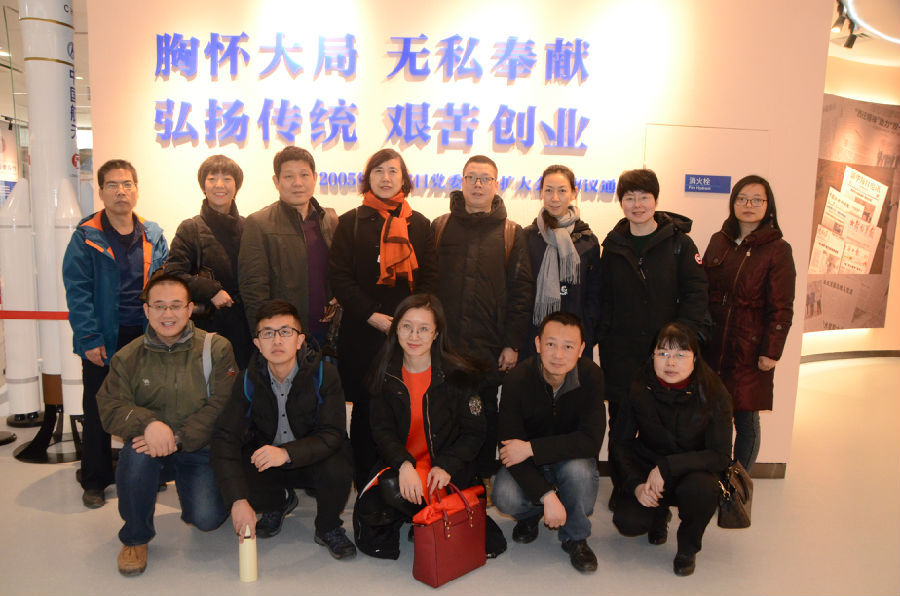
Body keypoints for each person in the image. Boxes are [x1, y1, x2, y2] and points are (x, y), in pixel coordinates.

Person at [96, 273, 236, 576]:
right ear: (146, 310)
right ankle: (135, 537)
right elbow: (110, 405)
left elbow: (222, 405)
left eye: (176, 306)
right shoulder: (128, 357)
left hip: (198, 447)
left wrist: (179, 437)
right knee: (135, 457)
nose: (167, 314)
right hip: (151, 447)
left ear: (190, 309)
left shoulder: (216, 348)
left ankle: (203, 491)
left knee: (207, 519)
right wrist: (147, 424)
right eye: (159, 306)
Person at [353, 293, 506, 559]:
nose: (414, 336)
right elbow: (382, 431)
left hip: (445, 469)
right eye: (407, 326)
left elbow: (474, 433)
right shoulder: (384, 373)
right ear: (395, 329)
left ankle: (427, 514)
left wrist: (446, 465)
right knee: (374, 524)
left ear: (436, 334)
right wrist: (404, 464)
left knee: (487, 545)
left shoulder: (458, 376)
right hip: (402, 466)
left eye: (424, 329)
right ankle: (423, 514)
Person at [597, 168, 710, 503]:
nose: (637, 204)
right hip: (621, 354)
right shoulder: (613, 245)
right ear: (621, 202)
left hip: (666, 354)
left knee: (664, 424)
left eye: (644, 197)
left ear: (656, 200)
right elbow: (604, 298)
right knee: (620, 425)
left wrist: (680, 340)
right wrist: (605, 336)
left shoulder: (679, 243)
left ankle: (662, 491)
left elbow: (696, 293)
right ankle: (624, 488)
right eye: (629, 197)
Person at [329, 148, 439, 491]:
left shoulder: (420, 224)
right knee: (365, 411)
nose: (386, 178)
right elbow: (339, 278)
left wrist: (408, 322)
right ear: (368, 178)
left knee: (404, 408)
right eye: (378, 171)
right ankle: (366, 485)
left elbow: (430, 279)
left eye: (393, 171)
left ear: (404, 178)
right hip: (362, 333)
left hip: (409, 336)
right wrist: (371, 315)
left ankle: (403, 482)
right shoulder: (350, 221)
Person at [211, 299, 356, 559]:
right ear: (257, 343)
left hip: (311, 458)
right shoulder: (247, 379)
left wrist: (287, 453)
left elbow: (332, 434)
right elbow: (224, 436)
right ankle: (277, 502)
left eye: (285, 332)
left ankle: (328, 526)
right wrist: (237, 499)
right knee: (241, 463)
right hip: (269, 459)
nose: (277, 341)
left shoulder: (323, 374)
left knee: (338, 461)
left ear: (300, 340)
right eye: (268, 333)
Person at [62, 158, 169, 509]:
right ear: (101, 191)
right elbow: (78, 292)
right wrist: (89, 339)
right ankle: (95, 479)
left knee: (146, 405)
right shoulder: (86, 236)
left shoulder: (153, 234)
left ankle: (146, 470)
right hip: (104, 337)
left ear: (136, 189)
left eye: (127, 184)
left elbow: (165, 285)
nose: (121, 191)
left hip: (145, 336)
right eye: (112, 185)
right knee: (98, 409)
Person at [433, 155, 534, 484]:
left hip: (488, 346)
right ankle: (444, 482)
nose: (478, 184)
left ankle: (481, 484)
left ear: (496, 185)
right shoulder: (440, 227)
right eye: (471, 177)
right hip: (445, 344)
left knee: (484, 414)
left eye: (485, 178)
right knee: (443, 412)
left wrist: (512, 344)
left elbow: (521, 293)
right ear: (461, 183)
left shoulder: (511, 233)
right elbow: (426, 287)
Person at [611, 322, 733, 577]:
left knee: (701, 491)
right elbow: (620, 443)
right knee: (628, 522)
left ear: (694, 358)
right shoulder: (638, 387)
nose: (670, 362)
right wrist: (635, 485)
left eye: (680, 354)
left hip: (693, 469)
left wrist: (667, 467)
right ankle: (658, 514)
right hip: (648, 463)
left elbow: (720, 456)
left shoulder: (714, 392)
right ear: (652, 356)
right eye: (663, 353)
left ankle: (687, 548)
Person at [492, 312, 605, 573]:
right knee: (504, 494)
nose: (558, 355)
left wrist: (531, 447)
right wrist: (547, 495)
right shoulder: (517, 379)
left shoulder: (591, 375)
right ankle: (532, 514)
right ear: (538, 343)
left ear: (581, 349)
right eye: (551, 344)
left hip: (570, 459)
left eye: (568, 347)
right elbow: (508, 448)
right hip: (529, 464)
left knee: (579, 472)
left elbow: (590, 441)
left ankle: (575, 537)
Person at [703, 175, 796, 472]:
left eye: (757, 199)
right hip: (714, 342)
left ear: (768, 205)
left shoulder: (778, 250)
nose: (749, 205)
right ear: (733, 202)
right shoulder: (719, 240)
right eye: (742, 198)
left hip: (750, 347)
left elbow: (782, 307)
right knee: (711, 414)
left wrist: (771, 351)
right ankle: (712, 477)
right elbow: (702, 289)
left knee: (745, 418)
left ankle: (737, 484)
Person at [238, 146, 339, 347]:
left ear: (315, 178)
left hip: (324, 332)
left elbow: (339, 271)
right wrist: (265, 337)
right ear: (276, 181)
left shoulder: (329, 219)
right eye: (289, 176)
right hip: (283, 336)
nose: (298, 183)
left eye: (304, 175)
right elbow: (253, 290)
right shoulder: (259, 223)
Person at [163, 154, 252, 368]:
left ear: (236, 186)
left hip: (245, 327)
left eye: (227, 179)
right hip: (205, 326)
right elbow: (173, 274)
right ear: (204, 186)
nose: (219, 185)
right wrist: (211, 290)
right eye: (212, 179)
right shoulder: (191, 228)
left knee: (241, 382)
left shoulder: (249, 227)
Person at [523, 164, 601, 356]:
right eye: (549, 190)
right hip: (534, 335)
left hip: (574, 336)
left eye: (562, 191)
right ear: (541, 193)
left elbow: (595, 294)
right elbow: (520, 291)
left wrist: (586, 331)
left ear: (574, 193)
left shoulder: (587, 240)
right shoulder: (527, 237)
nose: (555, 198)